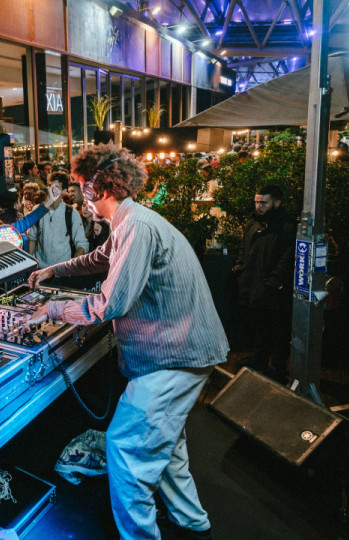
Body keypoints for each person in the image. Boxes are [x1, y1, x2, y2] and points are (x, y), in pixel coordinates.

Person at [25, 144, 227, 540]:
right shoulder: (131, 220)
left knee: (126, 451)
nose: (79, 198)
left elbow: (109, 304)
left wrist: (51, 311)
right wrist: (54, 270)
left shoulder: (135, 226)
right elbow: (98, 259)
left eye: (82, 188)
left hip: (174, 356)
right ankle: (192, 524)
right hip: (181, 351)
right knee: (167, 450)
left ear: (98, 187)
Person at [231, 184, 295, 379]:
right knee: (259, 323)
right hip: (253, 282)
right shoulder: (253, 223)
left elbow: (287, 257)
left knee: (278, 326)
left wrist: (274, 281)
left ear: (277, 203)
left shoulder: (287, 226)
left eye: (263, 202)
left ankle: (278, 366)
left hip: (273, 286)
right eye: (257, 202)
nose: (258, 206)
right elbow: (244, 247)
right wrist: (240, 269)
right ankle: (260, 358)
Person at [27, 171, 89, 268]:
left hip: (62, 270)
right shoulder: (38, 210)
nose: (52, 191)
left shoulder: (71, 214)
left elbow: (82, 243)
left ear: (64, 191)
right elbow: (32, 238)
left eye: (56, 188)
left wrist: (71, 266)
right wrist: (31, 265)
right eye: (50, 186)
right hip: (40, 268)